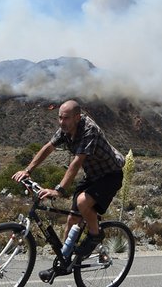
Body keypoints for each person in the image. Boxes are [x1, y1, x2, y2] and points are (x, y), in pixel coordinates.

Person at [12, 99, 125, 281]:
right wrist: (28, 170)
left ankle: (95, 235)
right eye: (59, 118)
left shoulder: (89, 130)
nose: (62, 122)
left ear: (77, 117)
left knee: (82, 202)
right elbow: (48, 148)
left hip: (110, 175)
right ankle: (64, 263)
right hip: (93, 175)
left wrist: (59, 190)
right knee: (72, 220)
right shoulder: (66, 130)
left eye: (66, 118)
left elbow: (77, 162)